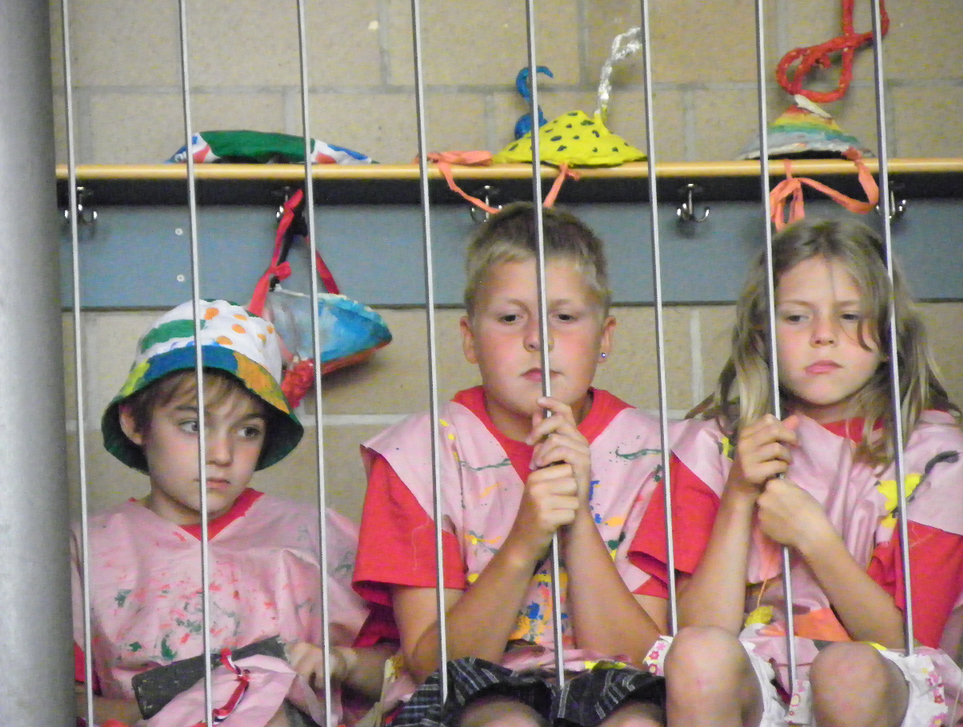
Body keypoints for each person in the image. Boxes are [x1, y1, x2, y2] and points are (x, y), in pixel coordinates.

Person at [628, 219, 963, 727]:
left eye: (850, 316)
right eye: (796, 317)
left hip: (885, 691)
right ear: (762, 334)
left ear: (889, 336)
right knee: (699, 654)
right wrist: (739, 496)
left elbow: (908, 644)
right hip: (755, 690)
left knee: (847, 670)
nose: (823, 336)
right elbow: (694, 637)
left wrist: (814, 537)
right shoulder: (713, 447)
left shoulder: (936, 460)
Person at [353, 203, 669, 727]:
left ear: (606, 337)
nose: (538, 339)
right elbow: (435, 667)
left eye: (564, 317)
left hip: (618, 692)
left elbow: (638, 657)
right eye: (509, 318)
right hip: (469, 703)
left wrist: (577, 520)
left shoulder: (656, 454)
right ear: (469, 339)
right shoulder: (415, 456)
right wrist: (525, 540)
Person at [72, 299, 392, 726]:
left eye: (247, 430)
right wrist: (178, 711)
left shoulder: (318, 537)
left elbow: (409, 669)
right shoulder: (85, 550)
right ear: (134, 422)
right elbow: (51, 698)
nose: (222, 454)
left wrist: (342, 662)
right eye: (193, 425)